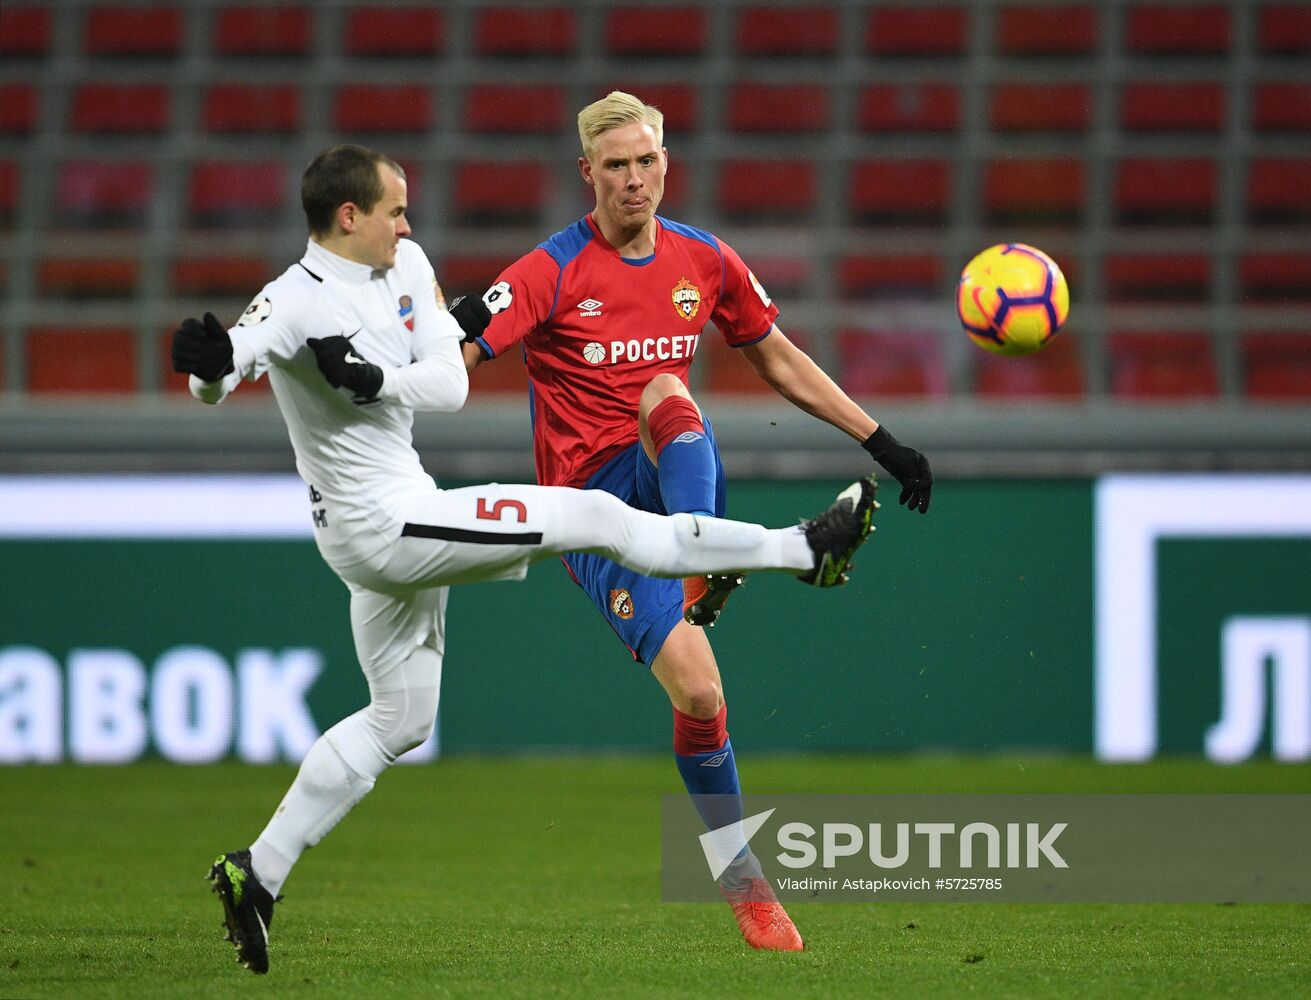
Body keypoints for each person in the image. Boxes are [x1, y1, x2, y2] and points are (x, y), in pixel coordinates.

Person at [171, 143, 880, 975]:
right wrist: (211, 373)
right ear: (348, 216)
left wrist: (374, 380)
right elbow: (225, 369)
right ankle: (802, 550)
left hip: (407, 504)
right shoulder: (289, 302)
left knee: (401, 718)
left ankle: (257, 871)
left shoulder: (408, 267)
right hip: (380, 525)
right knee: (596, 517)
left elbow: (448, 384)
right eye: (394, 210)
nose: (409, 223)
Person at [450, 92, 934, 952]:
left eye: (646, 162)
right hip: (591, 510)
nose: (634, 180)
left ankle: (747, 890)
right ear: (586, 173)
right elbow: (460, 352)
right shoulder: (548, 271)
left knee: (670, 393)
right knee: (699, 691)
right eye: (615, 166)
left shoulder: (702, 260)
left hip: (666, 480)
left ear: (665, 162)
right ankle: (702, 555)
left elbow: (776, 356)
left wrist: (881, 440)